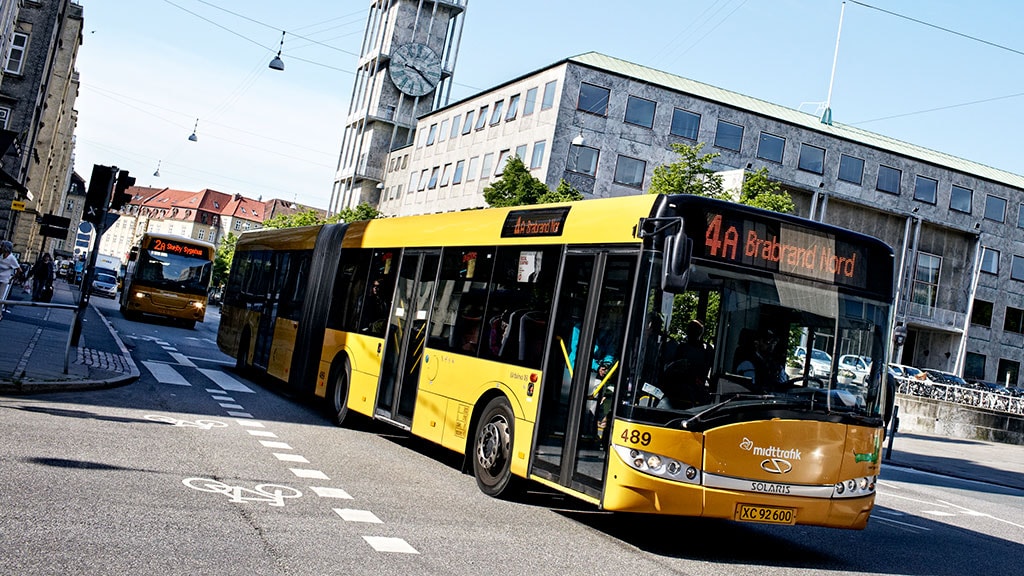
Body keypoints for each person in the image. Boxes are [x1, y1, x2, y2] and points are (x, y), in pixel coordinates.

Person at [663, 320, 714, 407]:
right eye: (691, 330)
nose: (690, 333)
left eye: (693, 330)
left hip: (692, 394)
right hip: (677, 392)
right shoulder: (681, 348)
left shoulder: (705, 351)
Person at [735, 327, 786, 392]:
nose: (771, 345)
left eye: (773, 342)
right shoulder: (747, 363)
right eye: (767, 341)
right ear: (756, 343)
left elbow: (783, 383)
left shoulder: (773, 364)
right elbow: (751, 389)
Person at [0, 241, 19, 319]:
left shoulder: (11, 258)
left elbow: (19, 270)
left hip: (4, 280)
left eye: (2, 246)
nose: (0, 247)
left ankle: (0, 314)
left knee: (0, 298)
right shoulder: (1, 255)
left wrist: (13, 278)